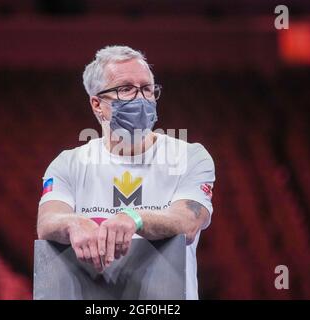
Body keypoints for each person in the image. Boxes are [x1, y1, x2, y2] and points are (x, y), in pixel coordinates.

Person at [37, 45, 215, 299]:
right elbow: (46, 223)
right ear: (97, 104)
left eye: (147, 88)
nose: (141, 98)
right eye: (126, 89)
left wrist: (134, 218)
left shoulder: (190, 156)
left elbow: (187, 222)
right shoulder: (68, 163)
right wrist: (73, 223)